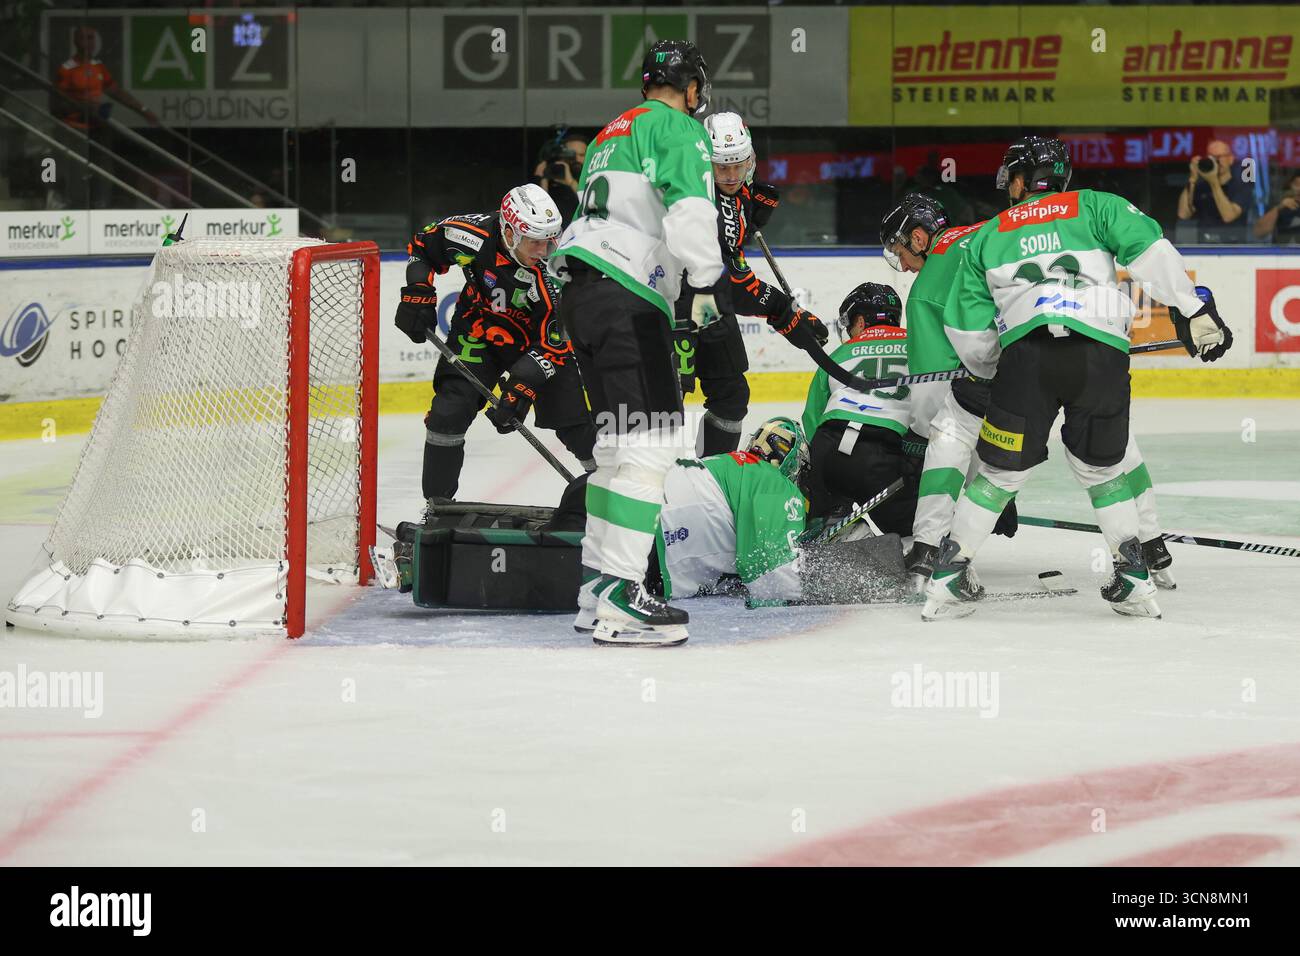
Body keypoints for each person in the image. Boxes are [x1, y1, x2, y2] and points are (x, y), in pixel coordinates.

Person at [925, 135, 1231, 622]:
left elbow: (966, 327)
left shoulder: (986, 234)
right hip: (1101, 353)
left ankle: (947, 575)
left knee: (1003, 472)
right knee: (1104, 467)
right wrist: (1193, 308)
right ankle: (1133, 577)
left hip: (1025, 357)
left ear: (1023, 179)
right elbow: (1152, 253)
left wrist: (989, 371)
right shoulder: (1097, 206)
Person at [548, 39, 726, 647]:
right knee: (648, 448)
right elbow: (691, 207)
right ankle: (623, 596)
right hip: (629, 296)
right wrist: (704, 283)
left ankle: (597, 587)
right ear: (693, 89)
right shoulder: (676, 127)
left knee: (617, 449)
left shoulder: (606, 135)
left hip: (585, 297)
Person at [395, 183, 597, 505]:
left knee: (576, 426)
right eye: (535, 242)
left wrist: (521, 388)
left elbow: (555, 343)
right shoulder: (470, 235)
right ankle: (436, 510)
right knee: (449, 412)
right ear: (509, 231)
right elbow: (424, 246)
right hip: (479, 329)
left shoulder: (559, 271)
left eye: (550, 240)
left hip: (538, 343)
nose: (545, 251)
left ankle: (614, 501)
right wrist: (418, 291)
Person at [673, 111, 829, 456]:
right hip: (677, 308)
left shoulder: (739, 193)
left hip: (709, 306)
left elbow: (732, 266)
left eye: (738, 166)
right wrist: (782, 310)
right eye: (721, 167)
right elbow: (728, 280)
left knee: (730, 396)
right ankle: (637, 486)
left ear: (751, 160)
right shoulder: (696, 202)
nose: (730, 175)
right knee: (664, 402)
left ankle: (707, 478)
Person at [800, 282, 923, 537]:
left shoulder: (839, 353)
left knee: (822, 532)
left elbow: (812, 417)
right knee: (916, 533)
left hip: (829, 449)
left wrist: (818, 481)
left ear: (860, 320)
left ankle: (840, 531)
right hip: (883, 454)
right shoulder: (920, 346)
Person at [1176, 139, 1250, 244]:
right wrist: (1192, 178)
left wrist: (1213, 181)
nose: (1216, 161)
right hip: (1204, 248)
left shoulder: (1241, 187)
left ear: (1231, 159)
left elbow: (1229, 216)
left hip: (1234, 250)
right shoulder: (1200, 187)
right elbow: (1183, 214)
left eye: (1220, 157)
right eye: (1212, 157)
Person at [532, 127, 588, 229]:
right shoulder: (552, 175)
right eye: (571, 154)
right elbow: (536, 213)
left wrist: (571, 182)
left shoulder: (591, 176)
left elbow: (590, 202)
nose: (576, 159)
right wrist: (542, 179)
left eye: (581, 155)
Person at [1253, 170, 1300, 244]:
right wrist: (1279, 208)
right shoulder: (1279, 205)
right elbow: (1258, 233)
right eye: (1297, 184)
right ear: (1290, 185)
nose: (1299, 189)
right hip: (1281, 253)